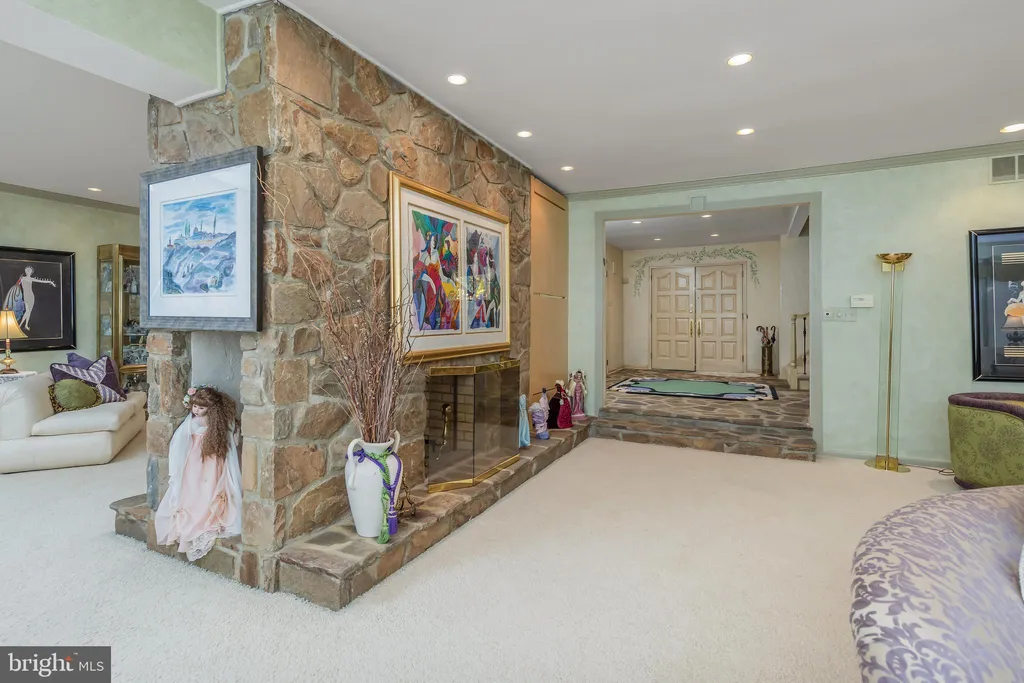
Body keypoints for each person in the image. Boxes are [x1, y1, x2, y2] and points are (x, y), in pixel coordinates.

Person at [154, 385, 242, 561]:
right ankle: (195, 512)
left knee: (210, 484)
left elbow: (228, 435)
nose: (196, 410)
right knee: (194, 485)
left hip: (212, 459)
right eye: (194, 406)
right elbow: (180, 440)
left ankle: (208, 513)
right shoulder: (193, 422)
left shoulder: (216, 424)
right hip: (195, 460)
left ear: (211, 409)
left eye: (201, 407)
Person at [2, 266, 56, 332]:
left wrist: (50, 282)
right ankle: (20, 326)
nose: (28, 271)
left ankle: (25, 325)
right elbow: (16, 285)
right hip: (26, 296)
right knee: (27, 311)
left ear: (31, 272)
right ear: (25, 271)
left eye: (29, 270)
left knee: (29, 311)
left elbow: (41, 281)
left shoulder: (31, 279)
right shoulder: (22, 278)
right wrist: (14, 293)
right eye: (27, 270)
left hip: (31, 296)